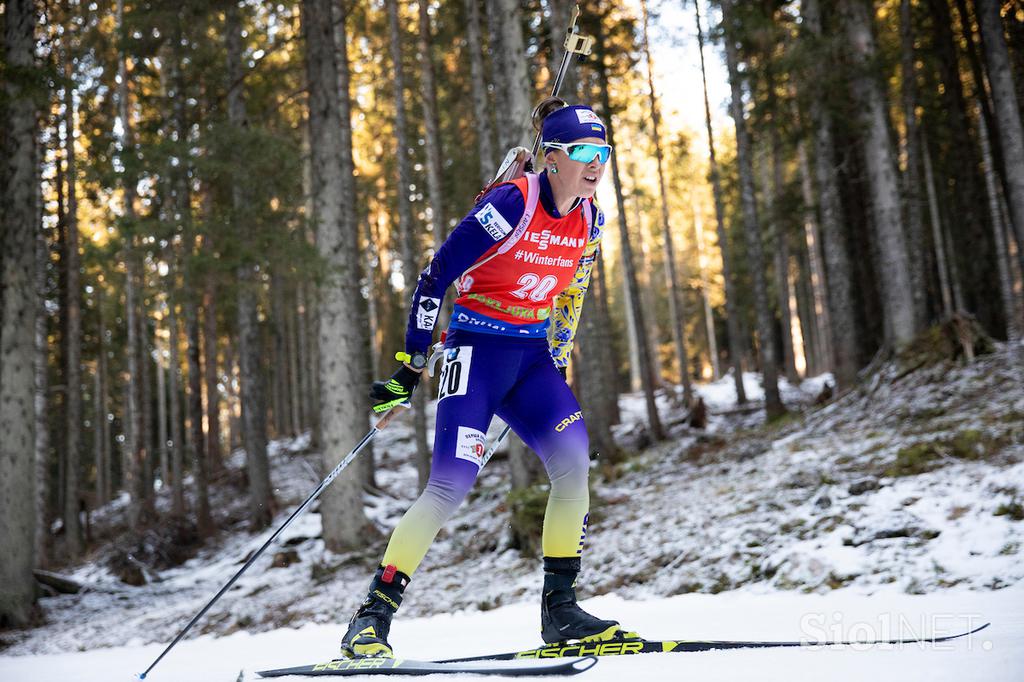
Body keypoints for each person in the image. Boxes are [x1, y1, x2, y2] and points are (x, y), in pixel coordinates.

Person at [340, 97, 631, 658]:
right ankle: (371, 620)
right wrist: (410, 366)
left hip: (530, 356)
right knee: (449, 486)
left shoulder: (591, 216)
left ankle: (560, 610)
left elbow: (572, 288)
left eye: (604, 153)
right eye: (583, 153)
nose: (596, 164)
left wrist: (559, 347)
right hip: (474, 350)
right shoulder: (508, 206)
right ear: (552, 158)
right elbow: (434, 277)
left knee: (573, 465)